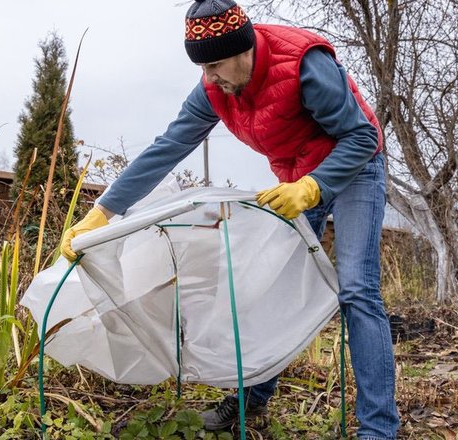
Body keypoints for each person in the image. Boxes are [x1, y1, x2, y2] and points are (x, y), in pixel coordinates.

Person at [59, 0, 399, 438]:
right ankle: (250, 400)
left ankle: (378, 428)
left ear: (246, 50)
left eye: (215, 65)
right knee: (273, 286)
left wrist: (314, 187)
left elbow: (361, 135)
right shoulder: (213, 89)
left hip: (354, 166)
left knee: (356, 289)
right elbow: (167, 147)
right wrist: (103, 212)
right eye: (202, 68)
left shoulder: (304, 66)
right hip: (295, 175)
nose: (209, 77)